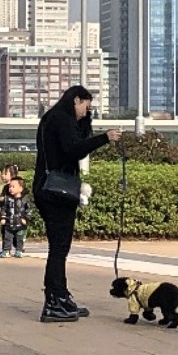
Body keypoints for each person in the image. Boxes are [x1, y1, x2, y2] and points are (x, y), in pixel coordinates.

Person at [33, 85, 121, 323]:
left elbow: (74, 145)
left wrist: (85, 123)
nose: (86, 111)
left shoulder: (53, 118)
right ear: (75, 100)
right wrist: (104, 138)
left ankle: (60, 296)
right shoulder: (61, 119)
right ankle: (54, 302)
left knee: (59, 248)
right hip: (56, 191)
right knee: (59, 249)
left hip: (47, 187)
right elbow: (73, 150)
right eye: (86, 106)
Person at [0, 176, 31, 258]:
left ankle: (19, 250)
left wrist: (26, 218)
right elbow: (4, 209)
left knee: (20, 238)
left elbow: (29, 210)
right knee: (7, 237)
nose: (11, 189)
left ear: (21, 188)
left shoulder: (25, 199)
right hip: (9, 223)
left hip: (21, 224)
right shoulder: (7, 199)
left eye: (13, 187)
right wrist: (3, 218)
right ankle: (6, 250)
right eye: (10, 187)